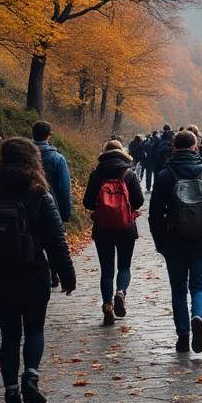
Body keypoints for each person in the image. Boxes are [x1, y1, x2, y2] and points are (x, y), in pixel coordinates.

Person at [0, 138, 77, 403]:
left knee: (9, 335)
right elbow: (56, 240)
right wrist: (66, 274)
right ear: (33, 160)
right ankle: (30, 376)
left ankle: (11, 391)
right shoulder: (39, 193)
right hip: (34, 273)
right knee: (35, 330)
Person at [148, 130, 202, 353]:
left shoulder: (165, 176)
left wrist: (160, 243)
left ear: (173, 147)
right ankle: (198, 317)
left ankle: (183, 336)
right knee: (199, 287)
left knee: (178, 290)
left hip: (174, 242)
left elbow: (154, 215)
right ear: (195, 147)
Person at [82, 140, 144, 326]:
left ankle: (107, 304)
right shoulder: (128, 174)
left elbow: (87, 202)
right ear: (122, 153)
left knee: (107, 270)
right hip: (126, 228)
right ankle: (121, 292)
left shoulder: (96, 174)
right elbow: (139, 200)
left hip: (102, 229)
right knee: (124, 266)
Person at [32, 121, 72, 224]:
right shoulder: (58, 159)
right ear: (48, 136)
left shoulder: (23, 155)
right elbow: (64, 189)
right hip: (50, 211)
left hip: (26, 211)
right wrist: (65, 215)